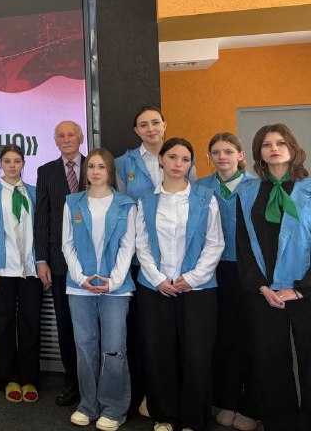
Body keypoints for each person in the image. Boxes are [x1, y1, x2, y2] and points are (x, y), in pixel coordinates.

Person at [135, 137, 223, 431]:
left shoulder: (205, 197)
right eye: (172, 157)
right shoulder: (146, 199)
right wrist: (158, 278)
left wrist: (193, 277)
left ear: (191, 164)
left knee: (196, 355)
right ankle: (164, 416)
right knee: (159, 353)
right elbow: (141, 244)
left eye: (185, 159)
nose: (178, 164)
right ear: (161, 159)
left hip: (197, 290)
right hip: (155, 288)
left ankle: (193, 419)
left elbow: (215, 243)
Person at [115, 106, 196, 418]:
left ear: (165, 124)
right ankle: (148, 394)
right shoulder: (123, 163)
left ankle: (180, 395)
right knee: (147, 334)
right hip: (143, 264)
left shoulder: (182, 156)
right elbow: (122, 209)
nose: (150, 128)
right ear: (136, 130)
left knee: (180, 335)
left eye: (155, 122)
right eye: (143, 124)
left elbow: (195, 206)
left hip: (182, 266)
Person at [236, 123, 311, 431]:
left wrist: (301, 289)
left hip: (304, 291)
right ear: (259, 153)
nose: (274, 148)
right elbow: (243, 244)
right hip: (264, 291)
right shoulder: (248, 191)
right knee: (270, 361)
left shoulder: (309, 189)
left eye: (280, 143)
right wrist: (260, 286)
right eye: (266, 145)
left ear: (292, 148)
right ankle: (279, 423)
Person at [62, 148, 136, 431]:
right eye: (91, 166)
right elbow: (67, 244)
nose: (95, 171)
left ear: (110, 171)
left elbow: (128, 246)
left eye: (101, 167)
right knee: (84, 348)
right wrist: (80, 278)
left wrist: (113, 281)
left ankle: (114, 409)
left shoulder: (126, 204)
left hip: (115, 288)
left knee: (113, 349)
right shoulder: (72, 202)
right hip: (80, 287)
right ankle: (88, 405)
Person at [196, 133, 258, 430]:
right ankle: (227, 400)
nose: (222, 157)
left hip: (248, 271)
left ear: (240, 155)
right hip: (212, 269)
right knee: (222, 336)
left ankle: (251, 405)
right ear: (209, 157)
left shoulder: (255, 185)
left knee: (251, 336)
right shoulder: (201, 187)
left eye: (228, 151)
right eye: (216, 152)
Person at [0, 144, 42, 403]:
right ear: (0, 164)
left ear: (23, 163)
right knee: (4, 326)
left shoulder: (33, 193)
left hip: (31, 271)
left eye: (17, 161)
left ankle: (30, 379)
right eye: (7, 161)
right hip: (3, 270)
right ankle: (9, 379)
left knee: (31, 325)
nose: (12, 165)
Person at [34, 120, 85, 406]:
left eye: (71, 135)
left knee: (92, 327)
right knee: (65, 323)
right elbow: (41, 218)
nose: (66, 139)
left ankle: (95, 384)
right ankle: (73, 383)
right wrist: (41, 259)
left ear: (80, 138)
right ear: (55, 141)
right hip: (59, 262)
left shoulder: (96, 166)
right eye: (61, 136)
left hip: (93, 262)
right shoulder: (46, 171)